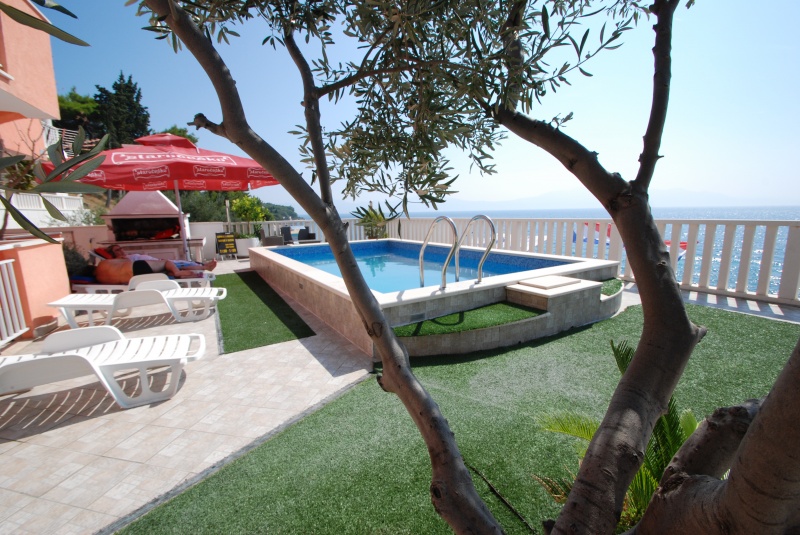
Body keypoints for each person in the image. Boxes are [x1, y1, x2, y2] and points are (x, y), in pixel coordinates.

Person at [94, 245, 217, 285]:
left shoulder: (101, 277)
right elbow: (126, 263)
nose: (121, 250)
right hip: (138, 267)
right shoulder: (107, 263)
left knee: (168, 271)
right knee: (169, 264)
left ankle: (196, 270)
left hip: (135, 278)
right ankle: (180, 273)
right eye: (117, 250)